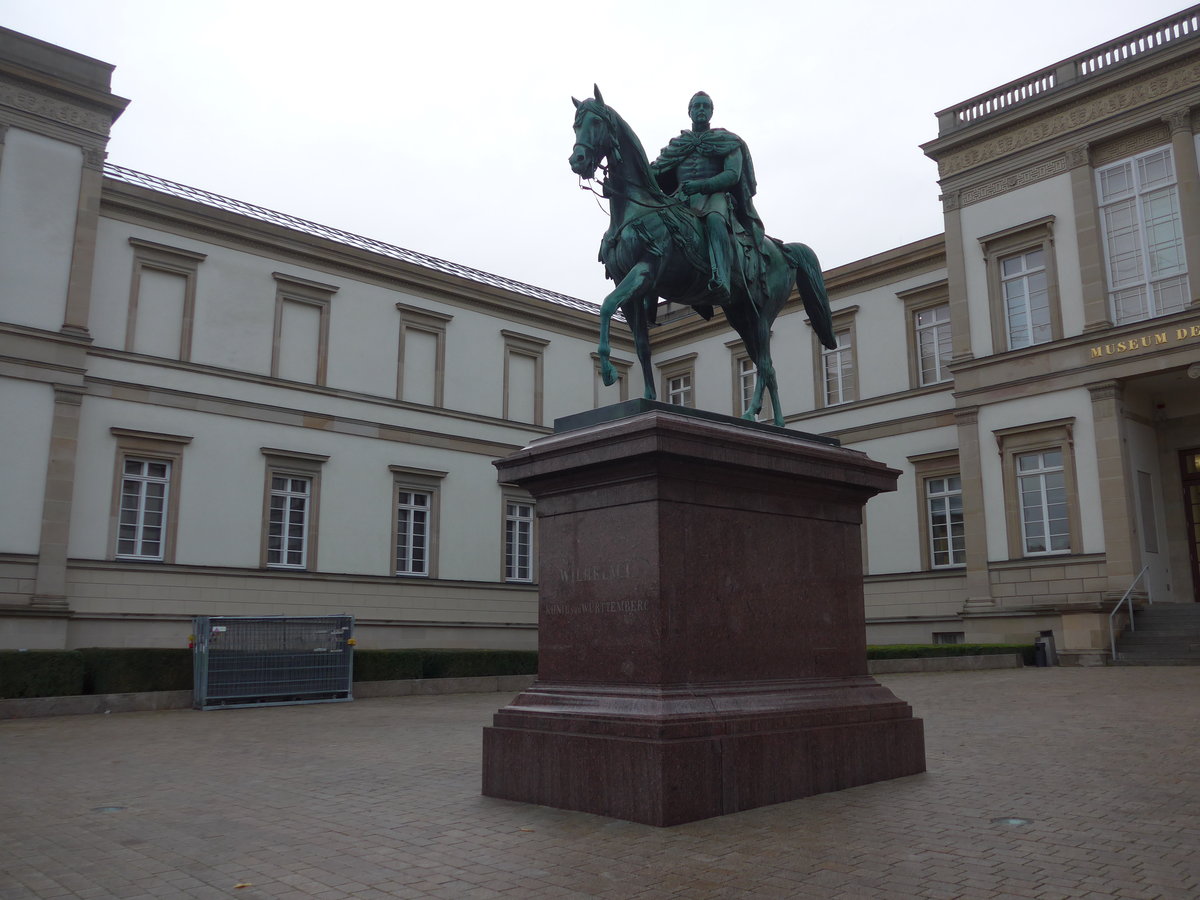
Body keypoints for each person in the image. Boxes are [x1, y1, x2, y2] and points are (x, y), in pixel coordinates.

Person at [651, 91, 764, 301]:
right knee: (655, 223)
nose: (701, 110)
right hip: (681, 199)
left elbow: (732, 174)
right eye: (697, 106)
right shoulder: (677, 145)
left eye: (705, 106)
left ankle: (721, 275)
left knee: (714, 219)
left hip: (714, 197)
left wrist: (702, 185)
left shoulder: (726, 141)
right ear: (689, 111)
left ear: (711, 112)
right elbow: (656, 171)